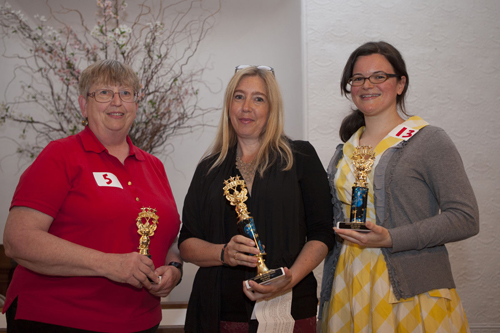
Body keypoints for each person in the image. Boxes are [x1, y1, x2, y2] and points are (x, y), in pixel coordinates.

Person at [2, 59, 183, 332]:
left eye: (126, 93)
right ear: (83, 105)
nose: (116, 102)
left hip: (140, 321)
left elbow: (168, 239)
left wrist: (174, 268)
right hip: (60, 318)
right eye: (104, 93)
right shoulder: (61, 155)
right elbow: (18, 240)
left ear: (136, 104)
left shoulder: (153, 166)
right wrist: (110, 264)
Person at [320, 41, 479, 332]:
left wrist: (392, 237)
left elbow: (465, 218)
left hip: (411, 292)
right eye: (358, 78)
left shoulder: (429, 140)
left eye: (379, 76)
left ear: (400, 83)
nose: (367, 85)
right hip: (348, 285)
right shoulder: (344, 151)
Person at [179, 65, 335, 333]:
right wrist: (223, 253)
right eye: (238, 97)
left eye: (258, 98)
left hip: (292, 306)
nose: (246, 107)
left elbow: (322, 234)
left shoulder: (301, 157)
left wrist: (290, 279)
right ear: (229, 106)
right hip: (220, 311)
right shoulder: (209, 169)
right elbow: (187, 243)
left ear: (272, 108)